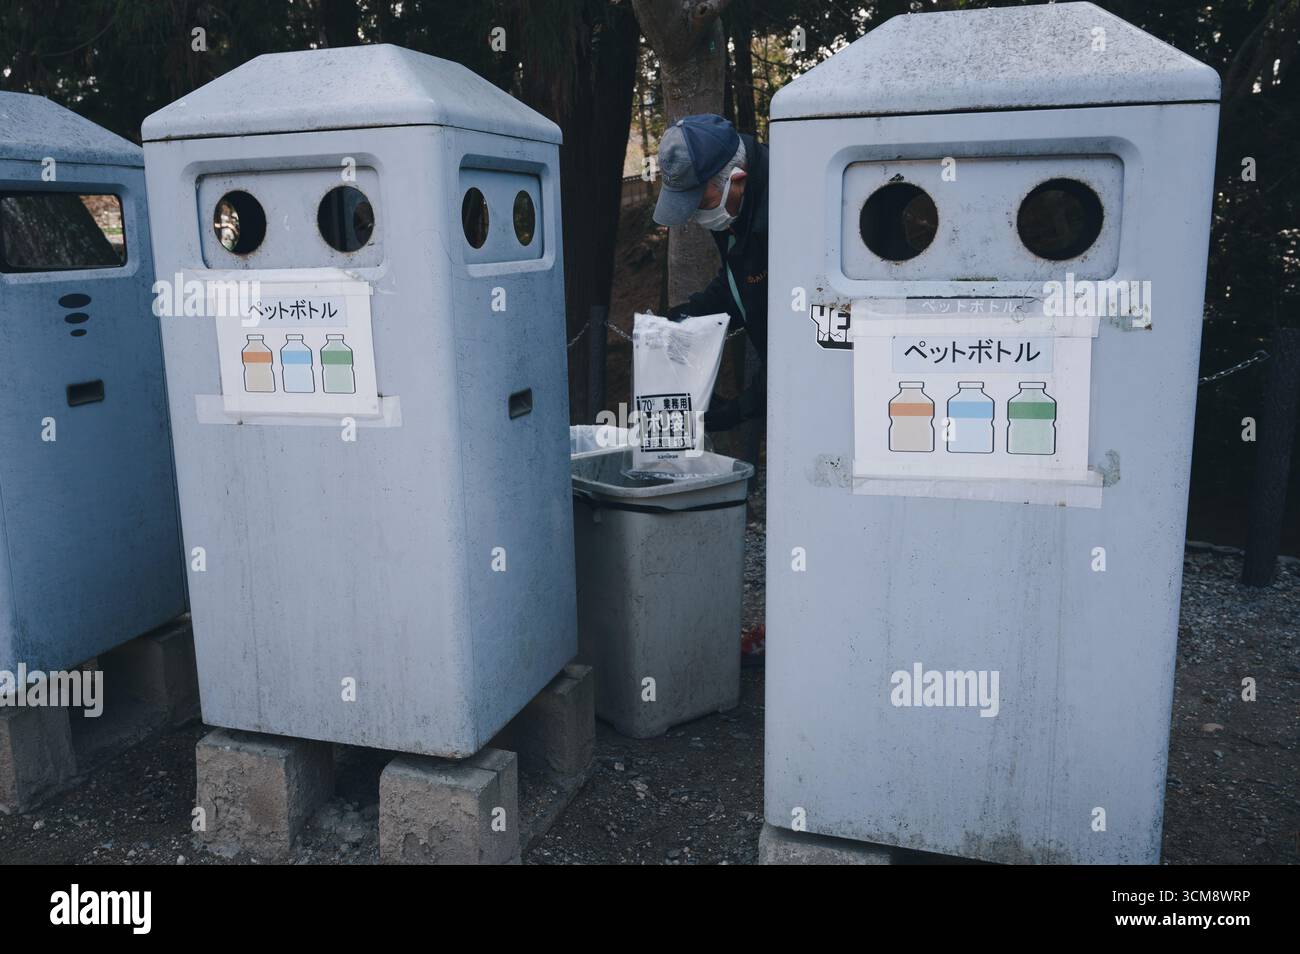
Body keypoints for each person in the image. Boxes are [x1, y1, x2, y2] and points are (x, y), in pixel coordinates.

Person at [653, 114, 767, 432]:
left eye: (700, 201)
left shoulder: (782, 212)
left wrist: (738, 409)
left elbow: (801, 337)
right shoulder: (733, 207)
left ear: (737, 178)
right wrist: (691, 313)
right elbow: (741, 277)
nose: (695, 215)